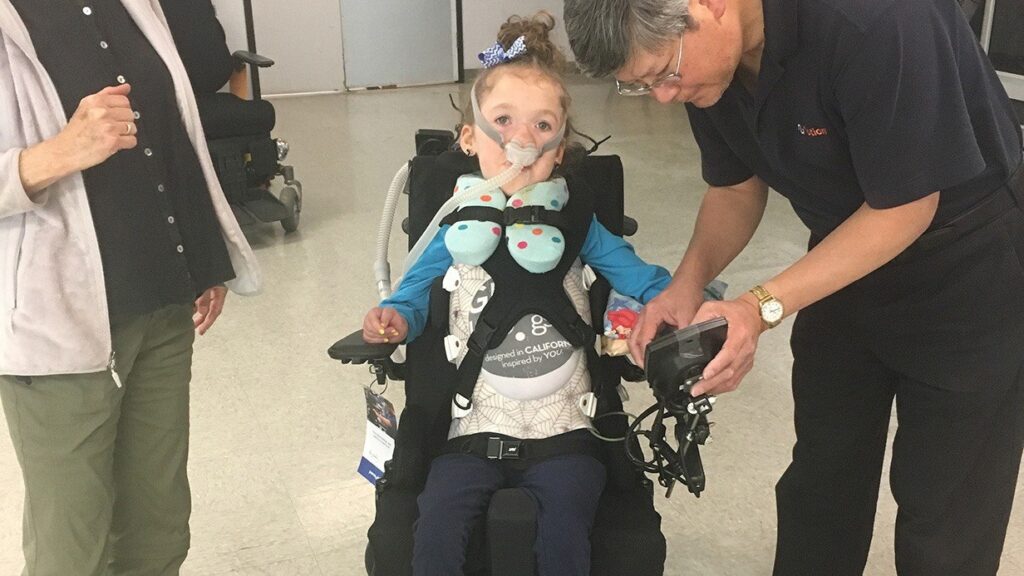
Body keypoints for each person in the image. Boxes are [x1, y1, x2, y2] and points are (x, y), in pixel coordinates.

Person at [563, 0, 1024, 574]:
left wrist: (758, 308)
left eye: (664, 74)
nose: (663, 96)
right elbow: (735, 188)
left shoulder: (877, 20)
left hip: (969, 263)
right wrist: (685, 286)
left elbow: (905, 208)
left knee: (946, 508)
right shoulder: (709, 67)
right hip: (841, 253)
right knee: (822, 480)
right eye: (642, 85)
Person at [361, 13, 674, 575]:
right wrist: (395, 319)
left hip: (567, 433)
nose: (521, 140)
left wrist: (681, 306)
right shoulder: (454, 229)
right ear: (469, 136)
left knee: (564, 537)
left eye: (541, 125)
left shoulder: (577, 224)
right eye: (503, 120)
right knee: (435, 529)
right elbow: (410, 296)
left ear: (560, 147)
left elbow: (647, 283)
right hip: (473, 429)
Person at [0, 1, 261, 574]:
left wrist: (203, 253)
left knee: (158, 533)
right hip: (58, 330)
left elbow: (171, 131)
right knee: (71, 554)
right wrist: (53, 156)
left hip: (164, 303)